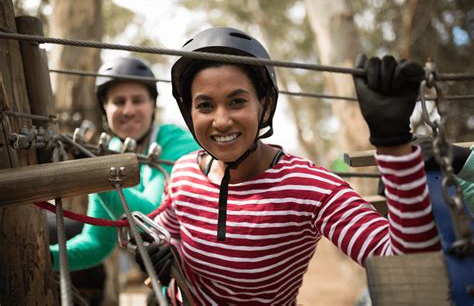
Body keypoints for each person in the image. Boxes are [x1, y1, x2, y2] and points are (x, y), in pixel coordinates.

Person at [137, 27, 441, 305]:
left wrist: (394, 143)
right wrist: (154, 253)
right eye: (205, 105)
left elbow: (408, 267)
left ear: (264, 105)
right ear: (190, 112)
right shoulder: (183, 172)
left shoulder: (310, 188)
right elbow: (166, 233)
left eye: (237, 101)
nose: (221, 120)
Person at [49, 56, 199, 273]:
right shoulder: (111, 149)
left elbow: (152, 217)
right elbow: (97, 243)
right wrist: (45, 258)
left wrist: (94, 175)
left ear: (152, 105)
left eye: (137, 100)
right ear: (105, 110)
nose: (128, 110)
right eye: (119, 102)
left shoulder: (176, 143)